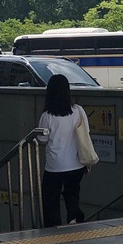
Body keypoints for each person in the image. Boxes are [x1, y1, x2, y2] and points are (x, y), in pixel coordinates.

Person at [36, 74, 89, 227]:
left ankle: (54, 228)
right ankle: (73, 220)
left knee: (50, 198)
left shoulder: (47, 116)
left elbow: (42, 140)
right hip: (77, 164)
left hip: (55, 166)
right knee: (72, 192)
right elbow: (86, 132)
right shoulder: (79, 111)